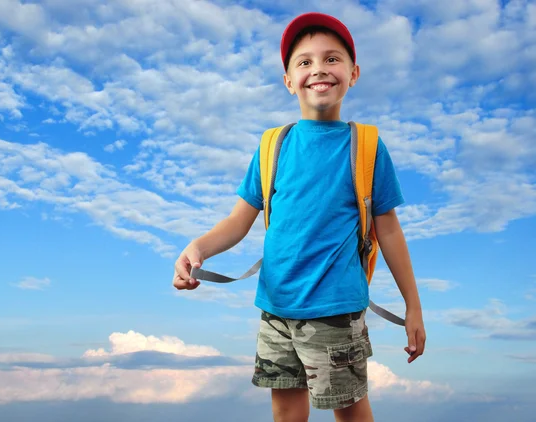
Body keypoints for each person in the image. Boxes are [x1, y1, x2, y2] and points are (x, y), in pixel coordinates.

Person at [173, 11, 426, 422]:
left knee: (349, 411)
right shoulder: (273, 145)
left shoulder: (366, 147)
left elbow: (390, 233)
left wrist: (413, 307)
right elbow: (239, 222)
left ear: (353, 72)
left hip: (335, 310)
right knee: (286, 412)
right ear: (289, 80)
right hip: (274, 309)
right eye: (304, 62)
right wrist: (197, 248)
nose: (319, 69)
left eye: (332, 59)